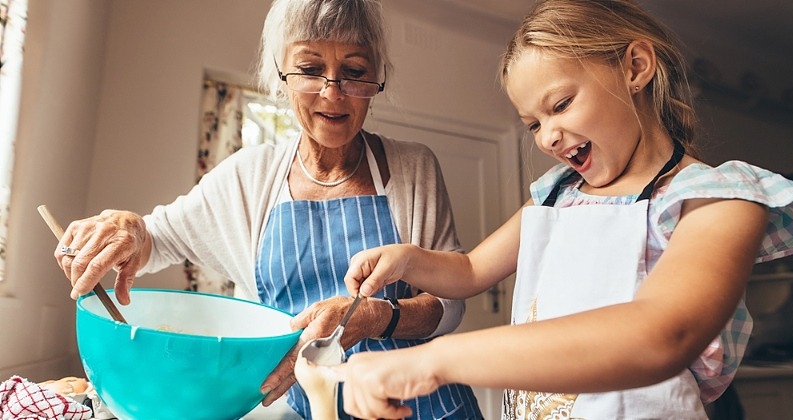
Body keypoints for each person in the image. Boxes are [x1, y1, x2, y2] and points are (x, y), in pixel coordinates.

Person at [334, 0, 793, 418]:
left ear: (636, 66)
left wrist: (431, 361)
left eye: (561, 104)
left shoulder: (718, 196)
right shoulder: (557, 194)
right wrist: (410, 259)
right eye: (533, 124)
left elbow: (662, 333)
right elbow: (472, 270)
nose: (548, 137)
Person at [53, 0, 482, 418]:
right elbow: (155, 239)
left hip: (420, 406)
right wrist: (128, 229)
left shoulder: (414, 168)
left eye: (353, 72)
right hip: (301, 410)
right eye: (311, 69)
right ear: (283, 76)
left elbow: (449, 302)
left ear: (375, 80)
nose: (333, 92)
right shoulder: (248, 176)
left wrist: (373, 317)